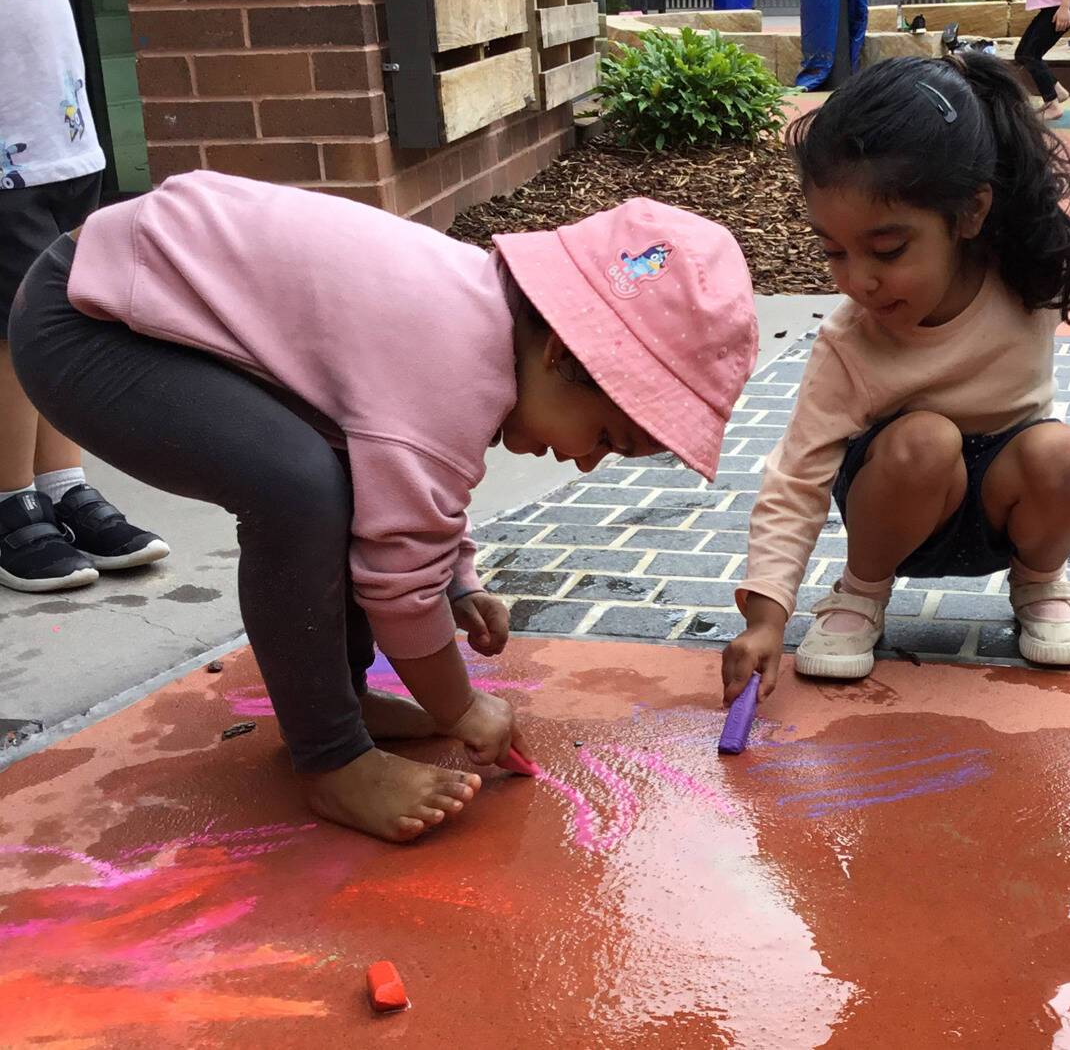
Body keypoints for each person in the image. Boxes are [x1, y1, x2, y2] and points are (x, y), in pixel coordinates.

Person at [8, 176, 758, 841]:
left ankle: (345, 700)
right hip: (87, 316)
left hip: (137, 295)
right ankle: (332, 754)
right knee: (297, 488)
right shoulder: (453, 363)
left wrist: (458, 577)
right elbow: (398, 572)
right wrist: (461, 707)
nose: (587, 459)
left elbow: (401, 483)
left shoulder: (477, 320)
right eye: (603, 436)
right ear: (561, 354)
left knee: (333, 471)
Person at [719, 53, 1070, 701]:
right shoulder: (852, 340)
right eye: (833, 250)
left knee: (1064, 454)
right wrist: (766, 619)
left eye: (886, 249)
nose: (857, 279)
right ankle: (861, 591)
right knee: (924, 440)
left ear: (969, 214)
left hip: (1006, 512)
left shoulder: (1031, 276)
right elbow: (797, 478)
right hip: (900, 513)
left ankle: (1040, 580)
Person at [0, 0, 166, 592]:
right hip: (6, 137)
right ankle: (10, 503)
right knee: (9, 320)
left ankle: (61, 482)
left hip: (54, 110)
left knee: (58, 309)